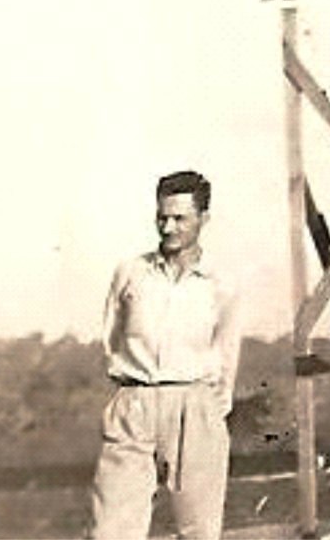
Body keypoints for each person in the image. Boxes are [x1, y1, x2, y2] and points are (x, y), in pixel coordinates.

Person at [89, 171, 241, 540]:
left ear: (203, 219)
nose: (168, 227)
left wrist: (205, 408)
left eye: (179, 218)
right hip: (134, 403)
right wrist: (132, 387)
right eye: (162, 217)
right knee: (110, 529)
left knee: (198, 530)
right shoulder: (131, 273)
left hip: (195, 406)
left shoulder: (220, 283)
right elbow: (111, 336)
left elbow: (227, 353)